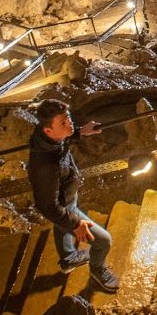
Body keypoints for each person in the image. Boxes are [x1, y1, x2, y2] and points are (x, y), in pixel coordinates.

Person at [28, 99, 120, 293]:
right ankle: (97, 270)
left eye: (68, 118)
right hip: (64, 208)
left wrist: (79, 131)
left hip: (67, 197)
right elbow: (48, 207)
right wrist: (76, 224)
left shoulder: (50, 140)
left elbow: (64, 138)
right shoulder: (45, 166)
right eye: (63, 122)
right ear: (48, 130)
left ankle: (68, 259)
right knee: (104, 241)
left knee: (61, 226)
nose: (69, 123)